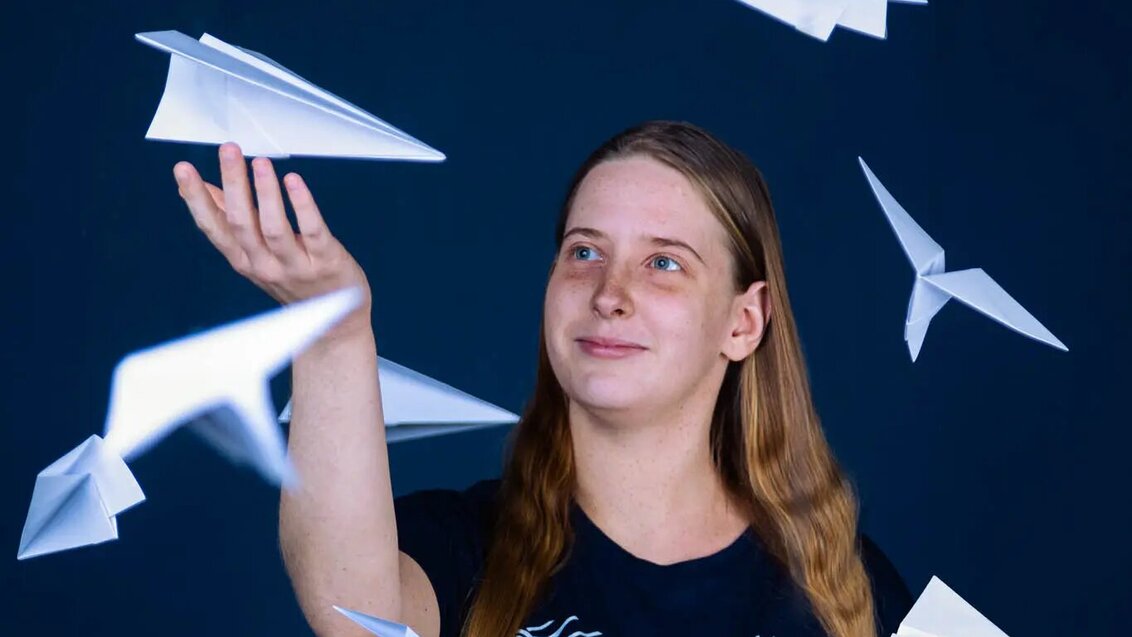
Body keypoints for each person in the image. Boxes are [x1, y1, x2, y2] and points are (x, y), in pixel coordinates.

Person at [172, 120, 912, 637]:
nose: (610, 291)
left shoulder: (847, 587)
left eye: (664, 263)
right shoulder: (467, 549)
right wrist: (333, 332)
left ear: (744, 322)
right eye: (585, 252)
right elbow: (354, 614)